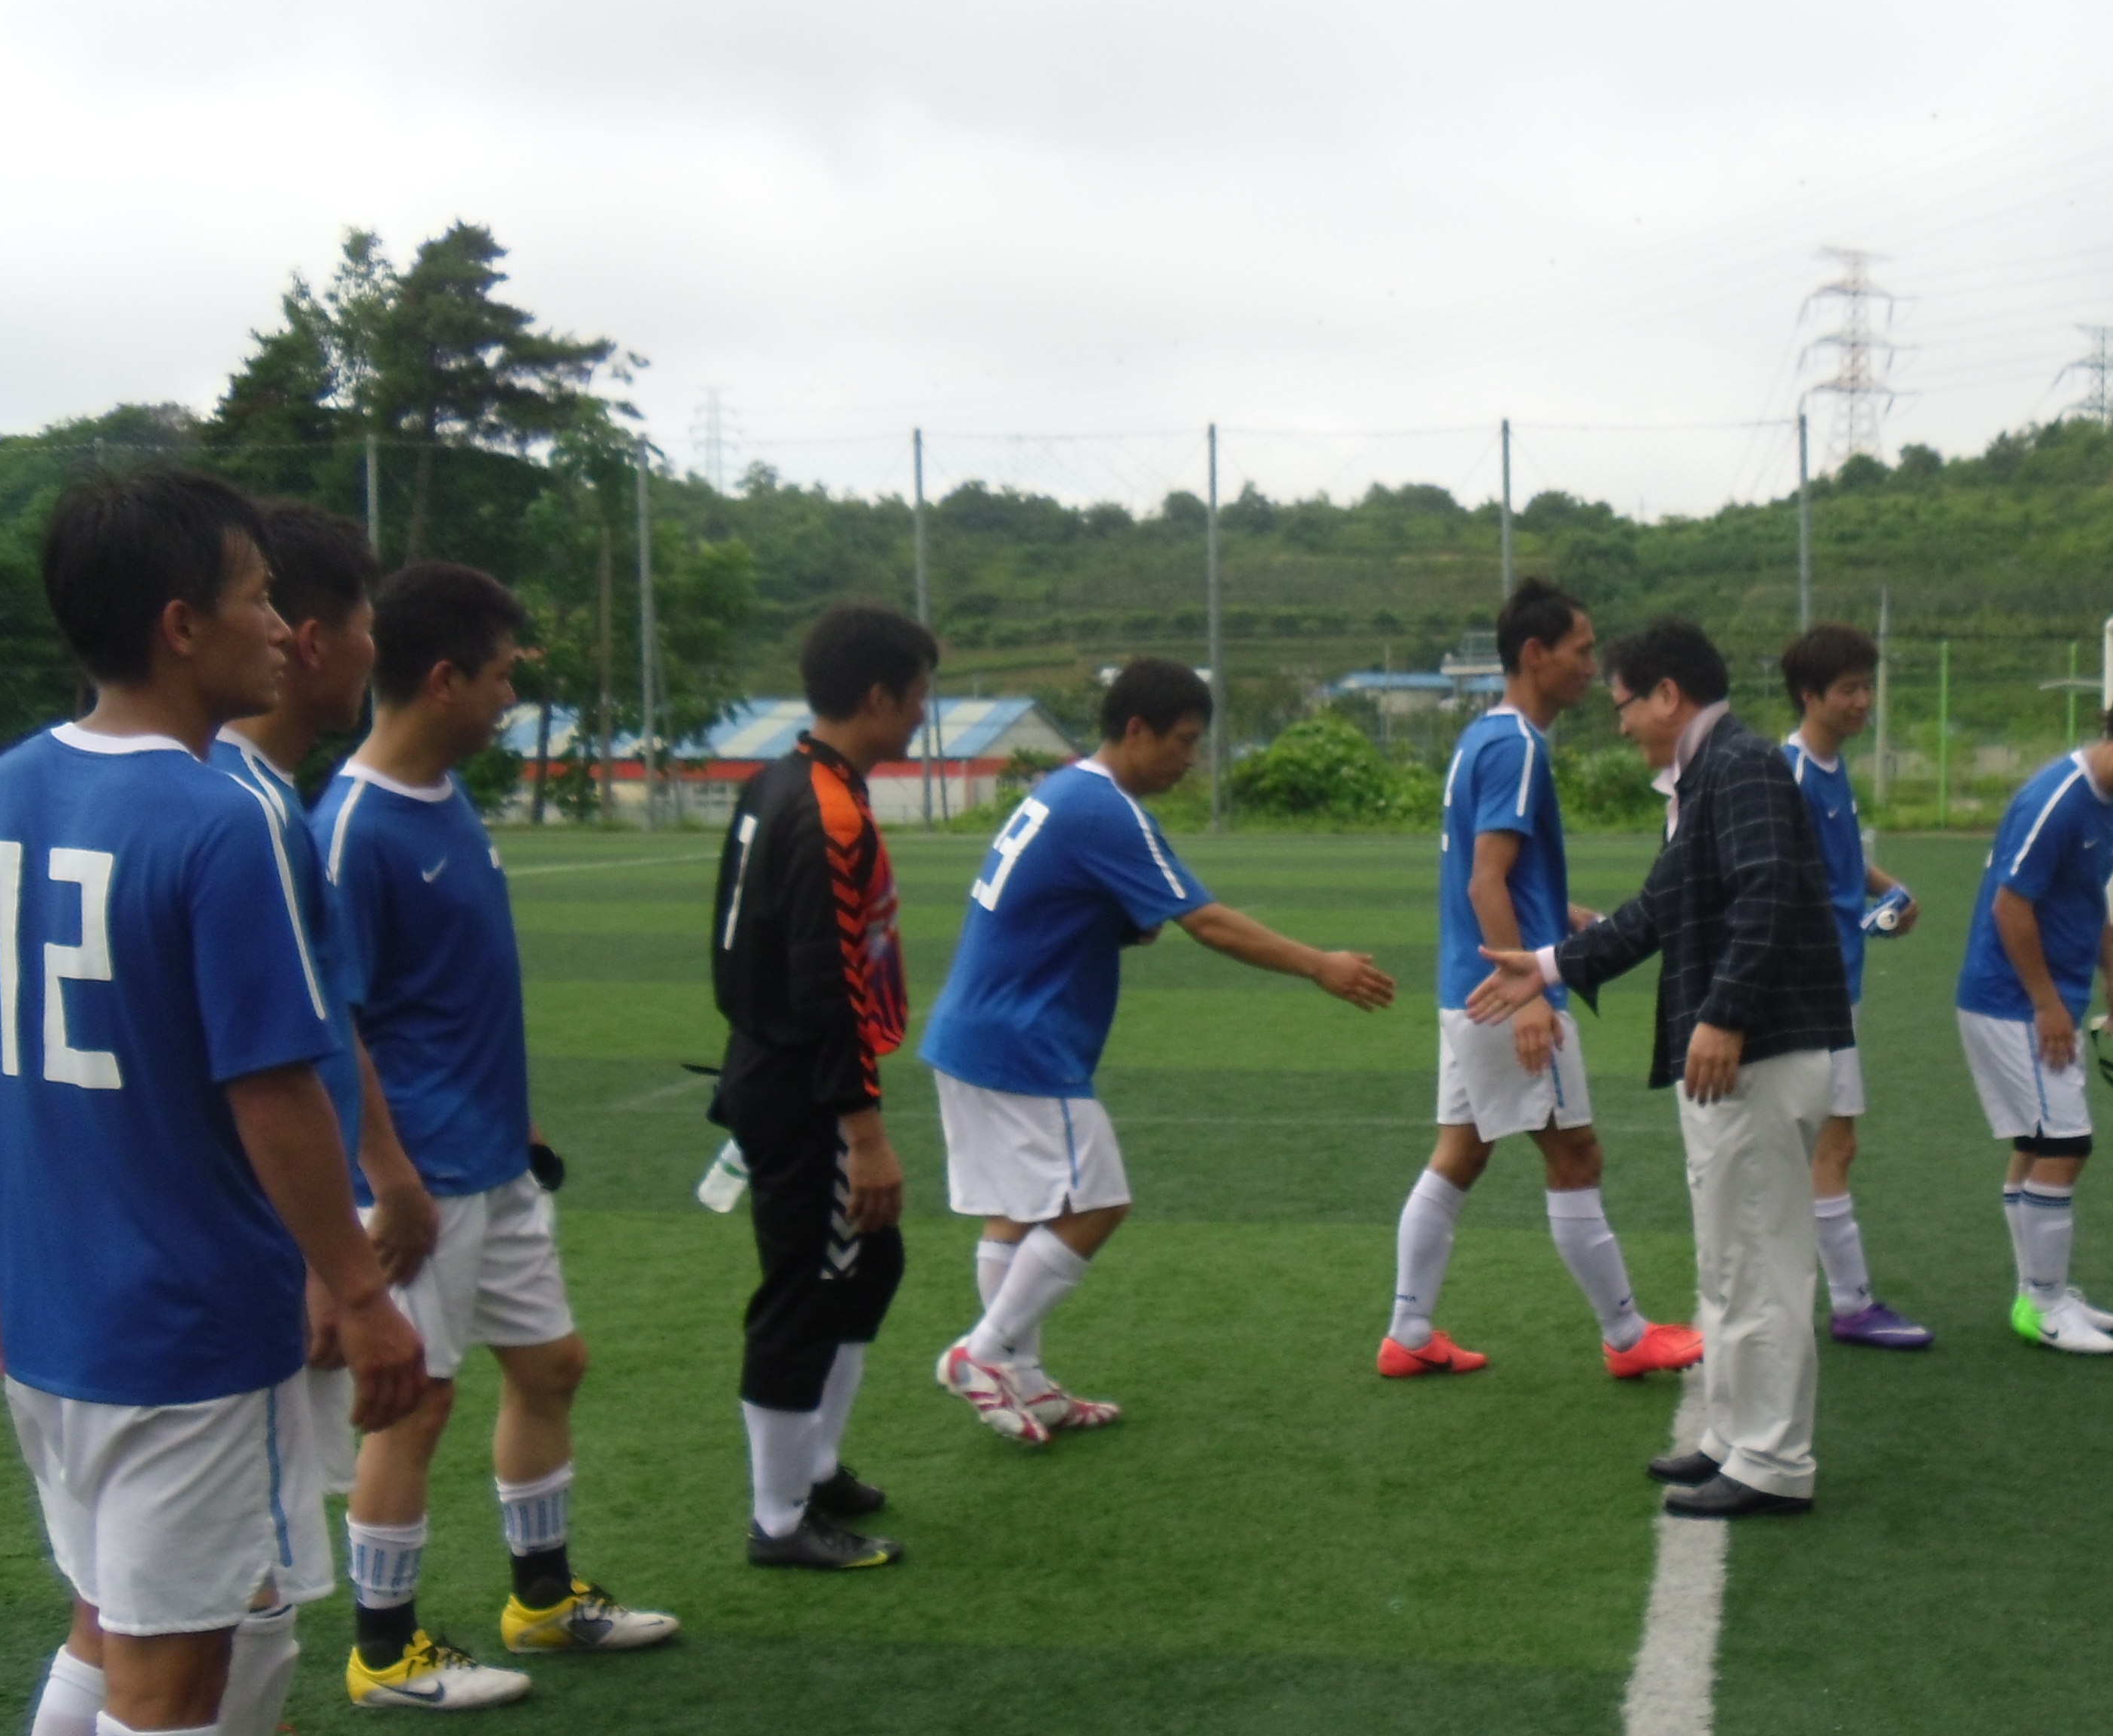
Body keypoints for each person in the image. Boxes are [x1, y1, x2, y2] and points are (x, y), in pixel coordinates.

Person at [0, 468, 421, 1736]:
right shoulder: (217, 819)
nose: (285, 626)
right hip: (182, 1316)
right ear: (178, 624)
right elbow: (271, 1088)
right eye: (258, 594)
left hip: (54, 1307)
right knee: (171, 1673)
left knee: (99, 1632)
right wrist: (357, 1286)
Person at [319, 565, 674, 1711]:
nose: (511, 700)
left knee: (552, 1365)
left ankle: (544, 1600)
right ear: (443, 680)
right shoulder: (354, 829)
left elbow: (453, 992)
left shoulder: (447, 799)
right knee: (414, 1402)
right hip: (420, 1176)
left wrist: (514, 1119)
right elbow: (332, 1026)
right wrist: (389, 1178)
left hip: (494, 1157)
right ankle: (385, 1651)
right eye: (503, 678)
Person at [920, 658, 1396, 1440]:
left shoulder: (1064, 790)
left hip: (971, 1031)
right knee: (1097, 1204)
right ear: (1135, 729)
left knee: (1019, 1211)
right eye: (1183, 740)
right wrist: (1321, 965)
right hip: (1021, 1042)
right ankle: (984, 1354)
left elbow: (1068, 908)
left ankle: (1025, 1379)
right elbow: (1206, 921)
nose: (1190, 758)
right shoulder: (1105, 807)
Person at [1464, 618, 1852, 1518]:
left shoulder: (1741, 767)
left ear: (1669, 696)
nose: (1622, 723)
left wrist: (1725, 1012)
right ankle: (1733, 1435)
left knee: (1758, 1257)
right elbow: (1657, 909)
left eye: (1626, 705)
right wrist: (1547, 966)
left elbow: (1767, 893)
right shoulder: (1710, 773)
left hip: (1756, 1053)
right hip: (1735, 1057)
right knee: (1728, 1256)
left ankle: (1771, 1460)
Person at [204, 501, 434, 1736]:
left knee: (232, 1554)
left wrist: (379, 1170)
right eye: (362, 627)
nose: (366, 654)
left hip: (202, 1249)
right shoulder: (230, 806)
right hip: (227, 1259)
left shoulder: (253, 798)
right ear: (306, 636)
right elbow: (259, 1067)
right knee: (235, 1557)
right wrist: (329, 1258)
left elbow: (320, 1025)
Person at [1376, 577, 1702, 1383]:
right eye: (1581, 651)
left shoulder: (1484, 738)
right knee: (1576, 1156)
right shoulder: (1518, 746)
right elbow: (1486, 880)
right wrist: (1529, 1001)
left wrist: (1566, 915)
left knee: (1460, 1155)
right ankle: (1626, 1336)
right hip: (1504, 990)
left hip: (1469, 989)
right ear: (1535, 653)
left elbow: (1501, 876)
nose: (1593, 666)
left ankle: (1408, 1332)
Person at [710, 604, 933, 1568]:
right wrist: (863, 1134)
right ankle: (780, 1517)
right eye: (917, 697)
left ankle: (815, 1464)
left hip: (770, 1064)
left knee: (868, 1265)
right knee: (806, 1287)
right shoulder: (827, 811)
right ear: (878, 697)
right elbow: (827, 987)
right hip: (802, 1082)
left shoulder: (781, 779)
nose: (921, 715)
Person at [1950, 678, 2113, 1356]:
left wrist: (2112, 976)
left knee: (2038, 1144)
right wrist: (2047, 1004)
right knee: (2067, 1147)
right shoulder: (2057, 800)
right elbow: (2011, 906)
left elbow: (2087, 898)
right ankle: (2042, 1305)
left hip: (2046, 996)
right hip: (2011, 1001)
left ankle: (2043, 1291)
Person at [1775, 623, 1934, 1349]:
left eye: (1867, 687)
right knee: (1825, 1148)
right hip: (1811, 995)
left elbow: (1841, 862)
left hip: (1838, 984)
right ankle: (1848, 1303)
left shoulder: (1830, 768)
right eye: (1848, 689)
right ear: (1810, 696)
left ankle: (1827, 1299)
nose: (1863, 701)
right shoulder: (1792, 775)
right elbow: (1776, 886)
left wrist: (1887, 889)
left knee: (1820, 1148)